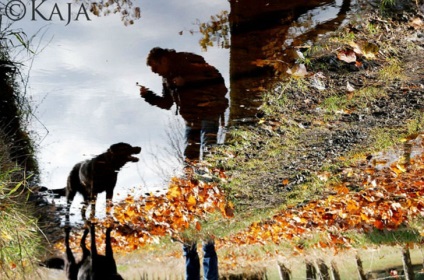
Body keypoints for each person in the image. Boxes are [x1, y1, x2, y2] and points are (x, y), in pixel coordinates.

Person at [138, 47, 228, 160]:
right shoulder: (167, 78)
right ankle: (190, 176)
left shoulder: (187, 61)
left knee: (209, 143)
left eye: (156, 68)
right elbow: (167, 103)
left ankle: (212, 172)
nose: (156, 72)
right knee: (190, 150)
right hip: (191, 116)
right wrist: (148, 95)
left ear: (164, 60)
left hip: (209, 108)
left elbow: (215, 80)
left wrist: (187, 81)